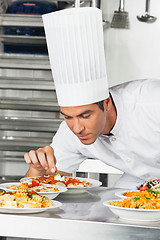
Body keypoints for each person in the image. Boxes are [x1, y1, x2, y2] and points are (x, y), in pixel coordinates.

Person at [24, 7, 160, 189]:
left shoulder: (151, 101)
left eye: (85, 115)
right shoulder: (70, 131)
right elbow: (39, 190)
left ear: (106, 103)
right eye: (68, 116)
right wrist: (37, 169)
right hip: (136, 188)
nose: (77, 128)